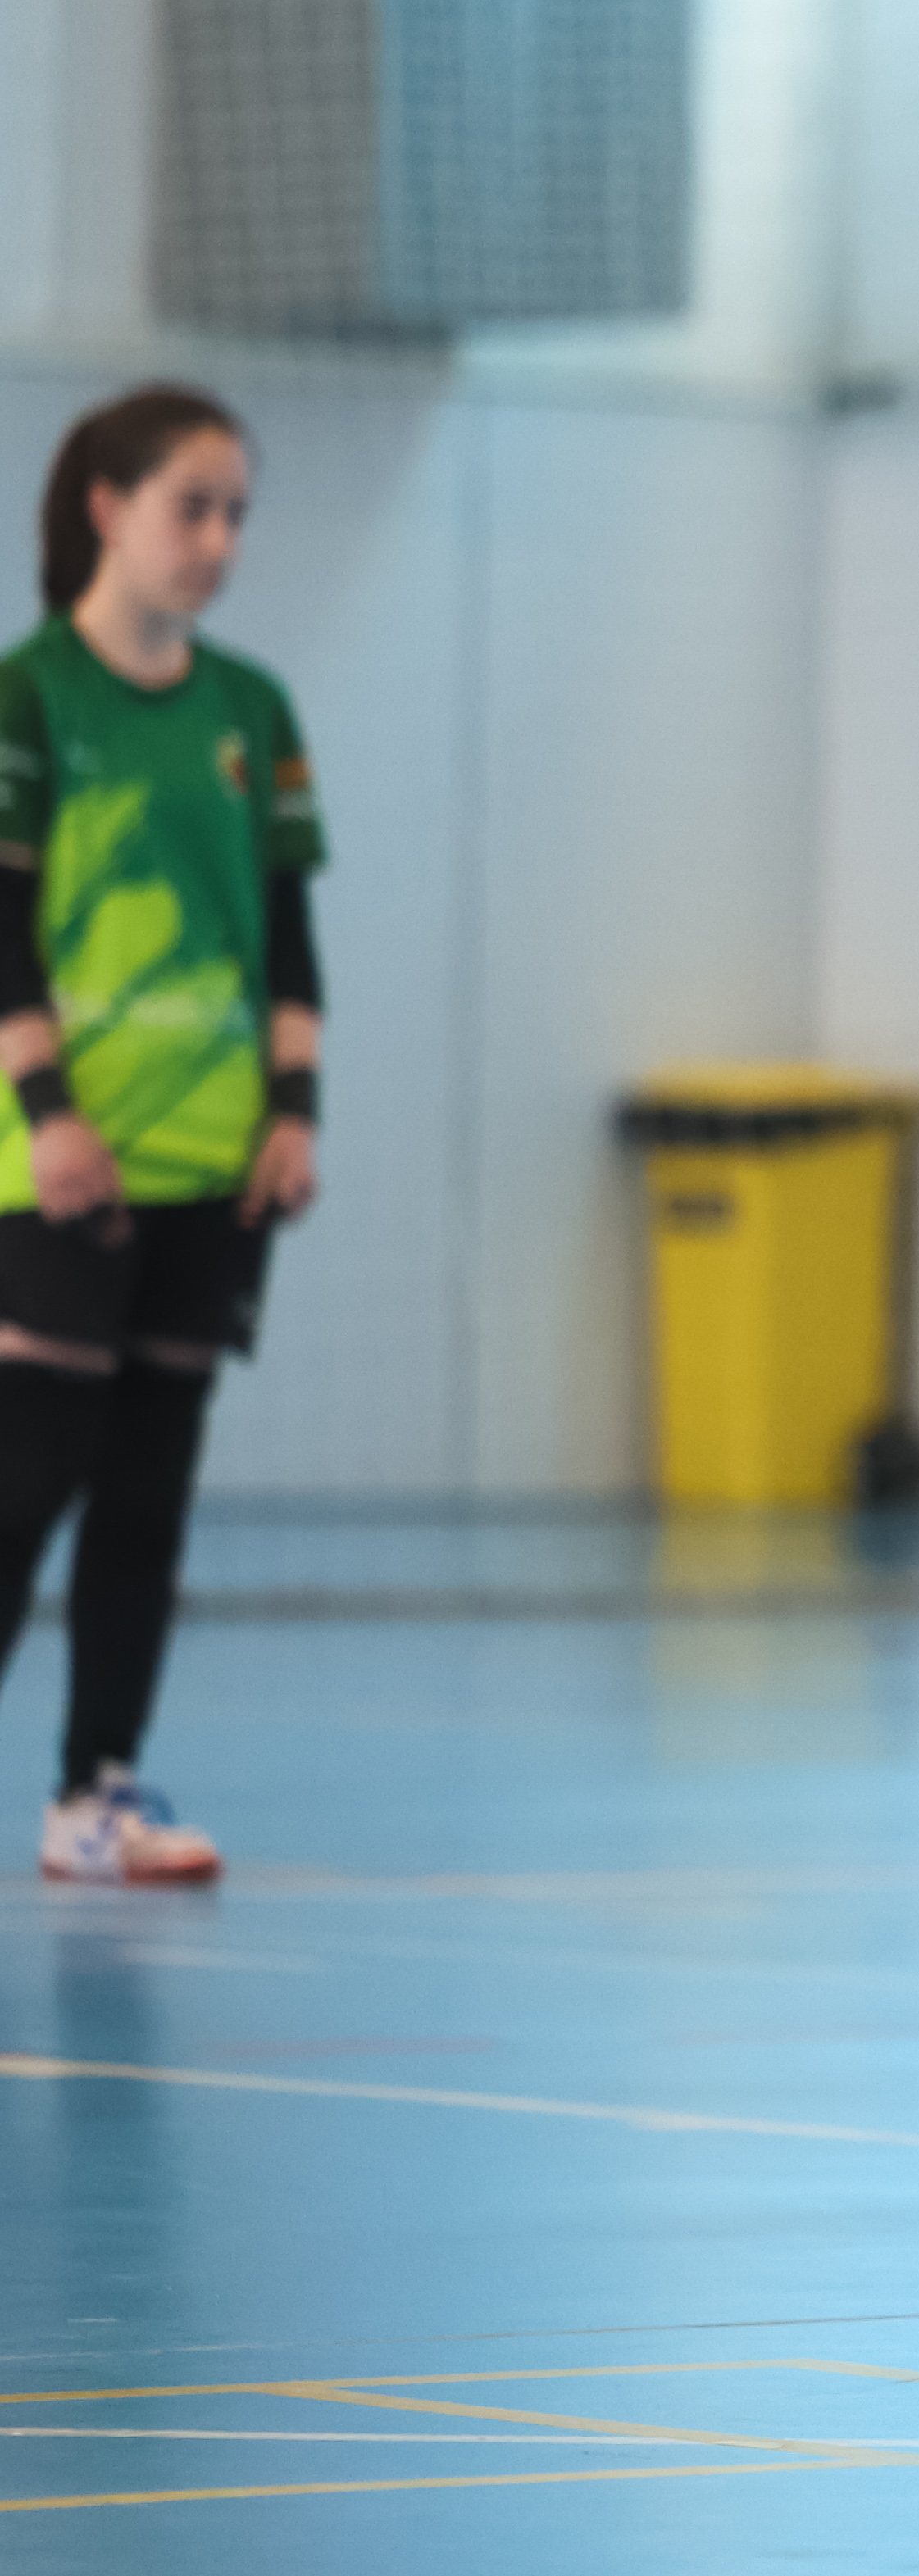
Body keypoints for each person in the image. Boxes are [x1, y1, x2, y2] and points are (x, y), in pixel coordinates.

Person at [0, 386, 325, 1883]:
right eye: (192, 506)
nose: (219, 540)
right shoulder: (30, 698)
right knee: (26, 1485)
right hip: (59, 1161)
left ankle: (98, 1796)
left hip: (212, 1156)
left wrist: (293, 1113)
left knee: (147, 1495)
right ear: (105, 509)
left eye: (237, 513)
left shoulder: (253, 712)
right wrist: (49, 1113)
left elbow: (288, 934)